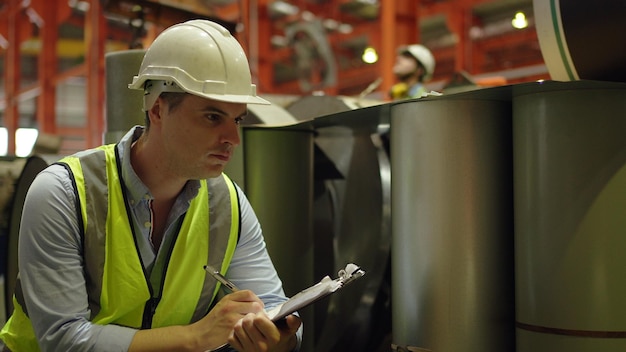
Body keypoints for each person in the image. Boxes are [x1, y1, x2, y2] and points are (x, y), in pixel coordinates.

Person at [0, 20, 302, 352]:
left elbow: (273, 304)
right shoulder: (64, 193)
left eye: (238, 120)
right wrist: (197, 337)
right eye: (213, 117)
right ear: (158, 109)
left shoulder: (228, 204)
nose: (232, 139)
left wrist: (276, 337)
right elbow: (64, 340)